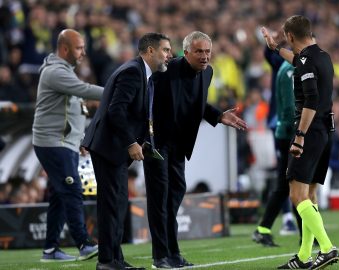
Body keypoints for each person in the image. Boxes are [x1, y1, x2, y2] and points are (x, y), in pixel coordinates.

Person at [143, 31, 247, 269]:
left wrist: (218, 115)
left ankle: (174, 253)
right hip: (157, 143)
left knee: (174, 197)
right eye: (199, 51)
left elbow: (196, 103)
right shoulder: (165, 70)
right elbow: (146, 100)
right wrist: (141, 138)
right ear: (186, 52)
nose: (204, 56)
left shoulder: (207, 72)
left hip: (179, 145)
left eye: (208, 51)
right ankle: (160, 257)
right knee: (160, 199)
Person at [82, 32, 172, 270]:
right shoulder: (133, 72)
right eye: (165, 50)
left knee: (117, 203)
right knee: (112, 204)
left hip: (112, 146)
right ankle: (107, 261)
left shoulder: (140, 72)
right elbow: (116, 111)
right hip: (109, 146)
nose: (169, 55)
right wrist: (131, 142)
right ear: (150, 51)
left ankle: (115, 259)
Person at [261, 15, 339, 269]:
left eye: (285, 37)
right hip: (326, 131)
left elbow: (311, 100)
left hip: (310, 132)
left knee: (297, 196)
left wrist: (300, 136)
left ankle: (326, 248)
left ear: (291, 35)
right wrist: (276, 49)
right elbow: (298, 61)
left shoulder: (306, 61)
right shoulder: (322, 56)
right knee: (310, 195)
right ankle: (304, 256)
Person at [32, 29, 102, 262]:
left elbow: (73, 111)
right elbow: (84, 91)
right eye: (79, 47)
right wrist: (118, 91)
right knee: (72, 190)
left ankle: (50, 250)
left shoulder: (65, 72)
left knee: (60, 196)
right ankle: (84, 243)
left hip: (64, 143)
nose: (83, 52)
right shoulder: (55, 72)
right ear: (64, 49)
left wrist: (78, 139)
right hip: (53, 144)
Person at [252, 60, 302, 247]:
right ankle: (306, 235)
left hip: (285, 131)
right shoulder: (290, 69)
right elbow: (290, 106)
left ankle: (263, 229)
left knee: (285, 185)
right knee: (295, 183)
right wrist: (299, 132)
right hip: (290, 132)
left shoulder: (286, 67)